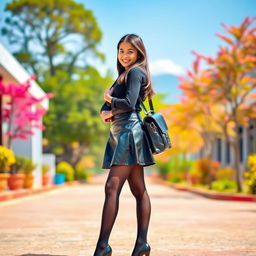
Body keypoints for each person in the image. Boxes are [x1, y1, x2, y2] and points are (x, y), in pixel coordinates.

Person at [93, 33, 156, 256]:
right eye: (121, 51)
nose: (125, 55)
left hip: (130, 132)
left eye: (130, 51)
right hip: (119, 132)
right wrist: (105, 111)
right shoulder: (122, 76)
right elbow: (105, 105)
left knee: (112, 187)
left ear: (139, 53)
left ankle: (103, 247)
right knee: (139, 189)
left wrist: (110, 102)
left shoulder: (137, 72)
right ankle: (142, 245)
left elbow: (129, 104)